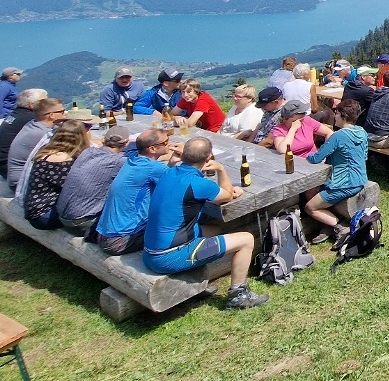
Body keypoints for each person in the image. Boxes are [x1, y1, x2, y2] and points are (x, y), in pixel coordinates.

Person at [142, 136, 267, 309]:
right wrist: (221, 169)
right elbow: (227, 195)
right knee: (246, 239)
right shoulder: (198, 184)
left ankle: (195, 284)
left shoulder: (169, 172)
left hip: (150, 252)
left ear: (183, 155)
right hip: (169, 258)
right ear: (209, 158)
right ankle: (238, 295)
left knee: (214, 230)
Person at [94, 129, 175, 255]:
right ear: (152, 149)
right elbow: (181, 186)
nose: (169, 144)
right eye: (166, 142)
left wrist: (172, 162)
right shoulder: (153, 167)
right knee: (178, 230)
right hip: (119, 240)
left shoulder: (133, 158)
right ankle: (203, 253)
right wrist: (190, 160)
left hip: (104, 234)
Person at [305, 99, 369, 248]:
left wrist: (306, 156)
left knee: (310, 207)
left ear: (343, 116)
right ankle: (326, 224)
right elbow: (364, 156)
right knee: (312, 190)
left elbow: (316, 158)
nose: (335, 116)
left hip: (343, 183)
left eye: (337, 113)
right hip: (360, 178)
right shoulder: (362, 132)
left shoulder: (338, 136)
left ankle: (340, 227)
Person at [56, 125, 132, 236]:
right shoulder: (119, 161)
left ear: (103, 139)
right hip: (82, 223)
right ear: (126, 144)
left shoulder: (87, 151)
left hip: (62, 217)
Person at [22, 120, 90, 230]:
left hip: (34, 210)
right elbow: (78, 188)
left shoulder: (46, 152)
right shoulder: (63, 160)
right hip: (44, 216)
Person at [6, 97, 64, 191]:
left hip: (17, 178)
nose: (65, 114)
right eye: (62, 112)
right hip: (21, 183)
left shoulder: (34, 124)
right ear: (51, 115)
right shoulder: (43, 133)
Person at [0, 88, 47, 177]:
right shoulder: (32, 119)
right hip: (10, 167)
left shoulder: (16, 114)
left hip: (5, 163)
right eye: (44, 102)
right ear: (31, 105)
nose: (47, 105)